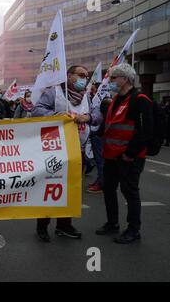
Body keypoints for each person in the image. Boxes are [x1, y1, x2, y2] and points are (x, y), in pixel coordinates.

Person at [32, 65, 102, 242]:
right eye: (80, 75)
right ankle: (42, 225)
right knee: (49, 188)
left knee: (71, 189)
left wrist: (88, 118)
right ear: (69, 76)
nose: (83, 79)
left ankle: (64, 225)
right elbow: (37, 110)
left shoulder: (87, 96)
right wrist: (58, 115)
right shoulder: (54, 92)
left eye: (86, 76)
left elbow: (97, 115)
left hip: (77, 151)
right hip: (54, 150)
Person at [96, 63, 153, 244]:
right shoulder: (115, 99)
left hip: (129, 157)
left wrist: (131, 153)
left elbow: (145, 130)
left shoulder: (140, 99)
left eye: (113, 78)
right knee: (108, 189)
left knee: (130, 192)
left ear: (125, 79)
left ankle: (133, 230)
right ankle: (112, 223)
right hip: (111, 155)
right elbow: (109, 126)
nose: (110, 81)